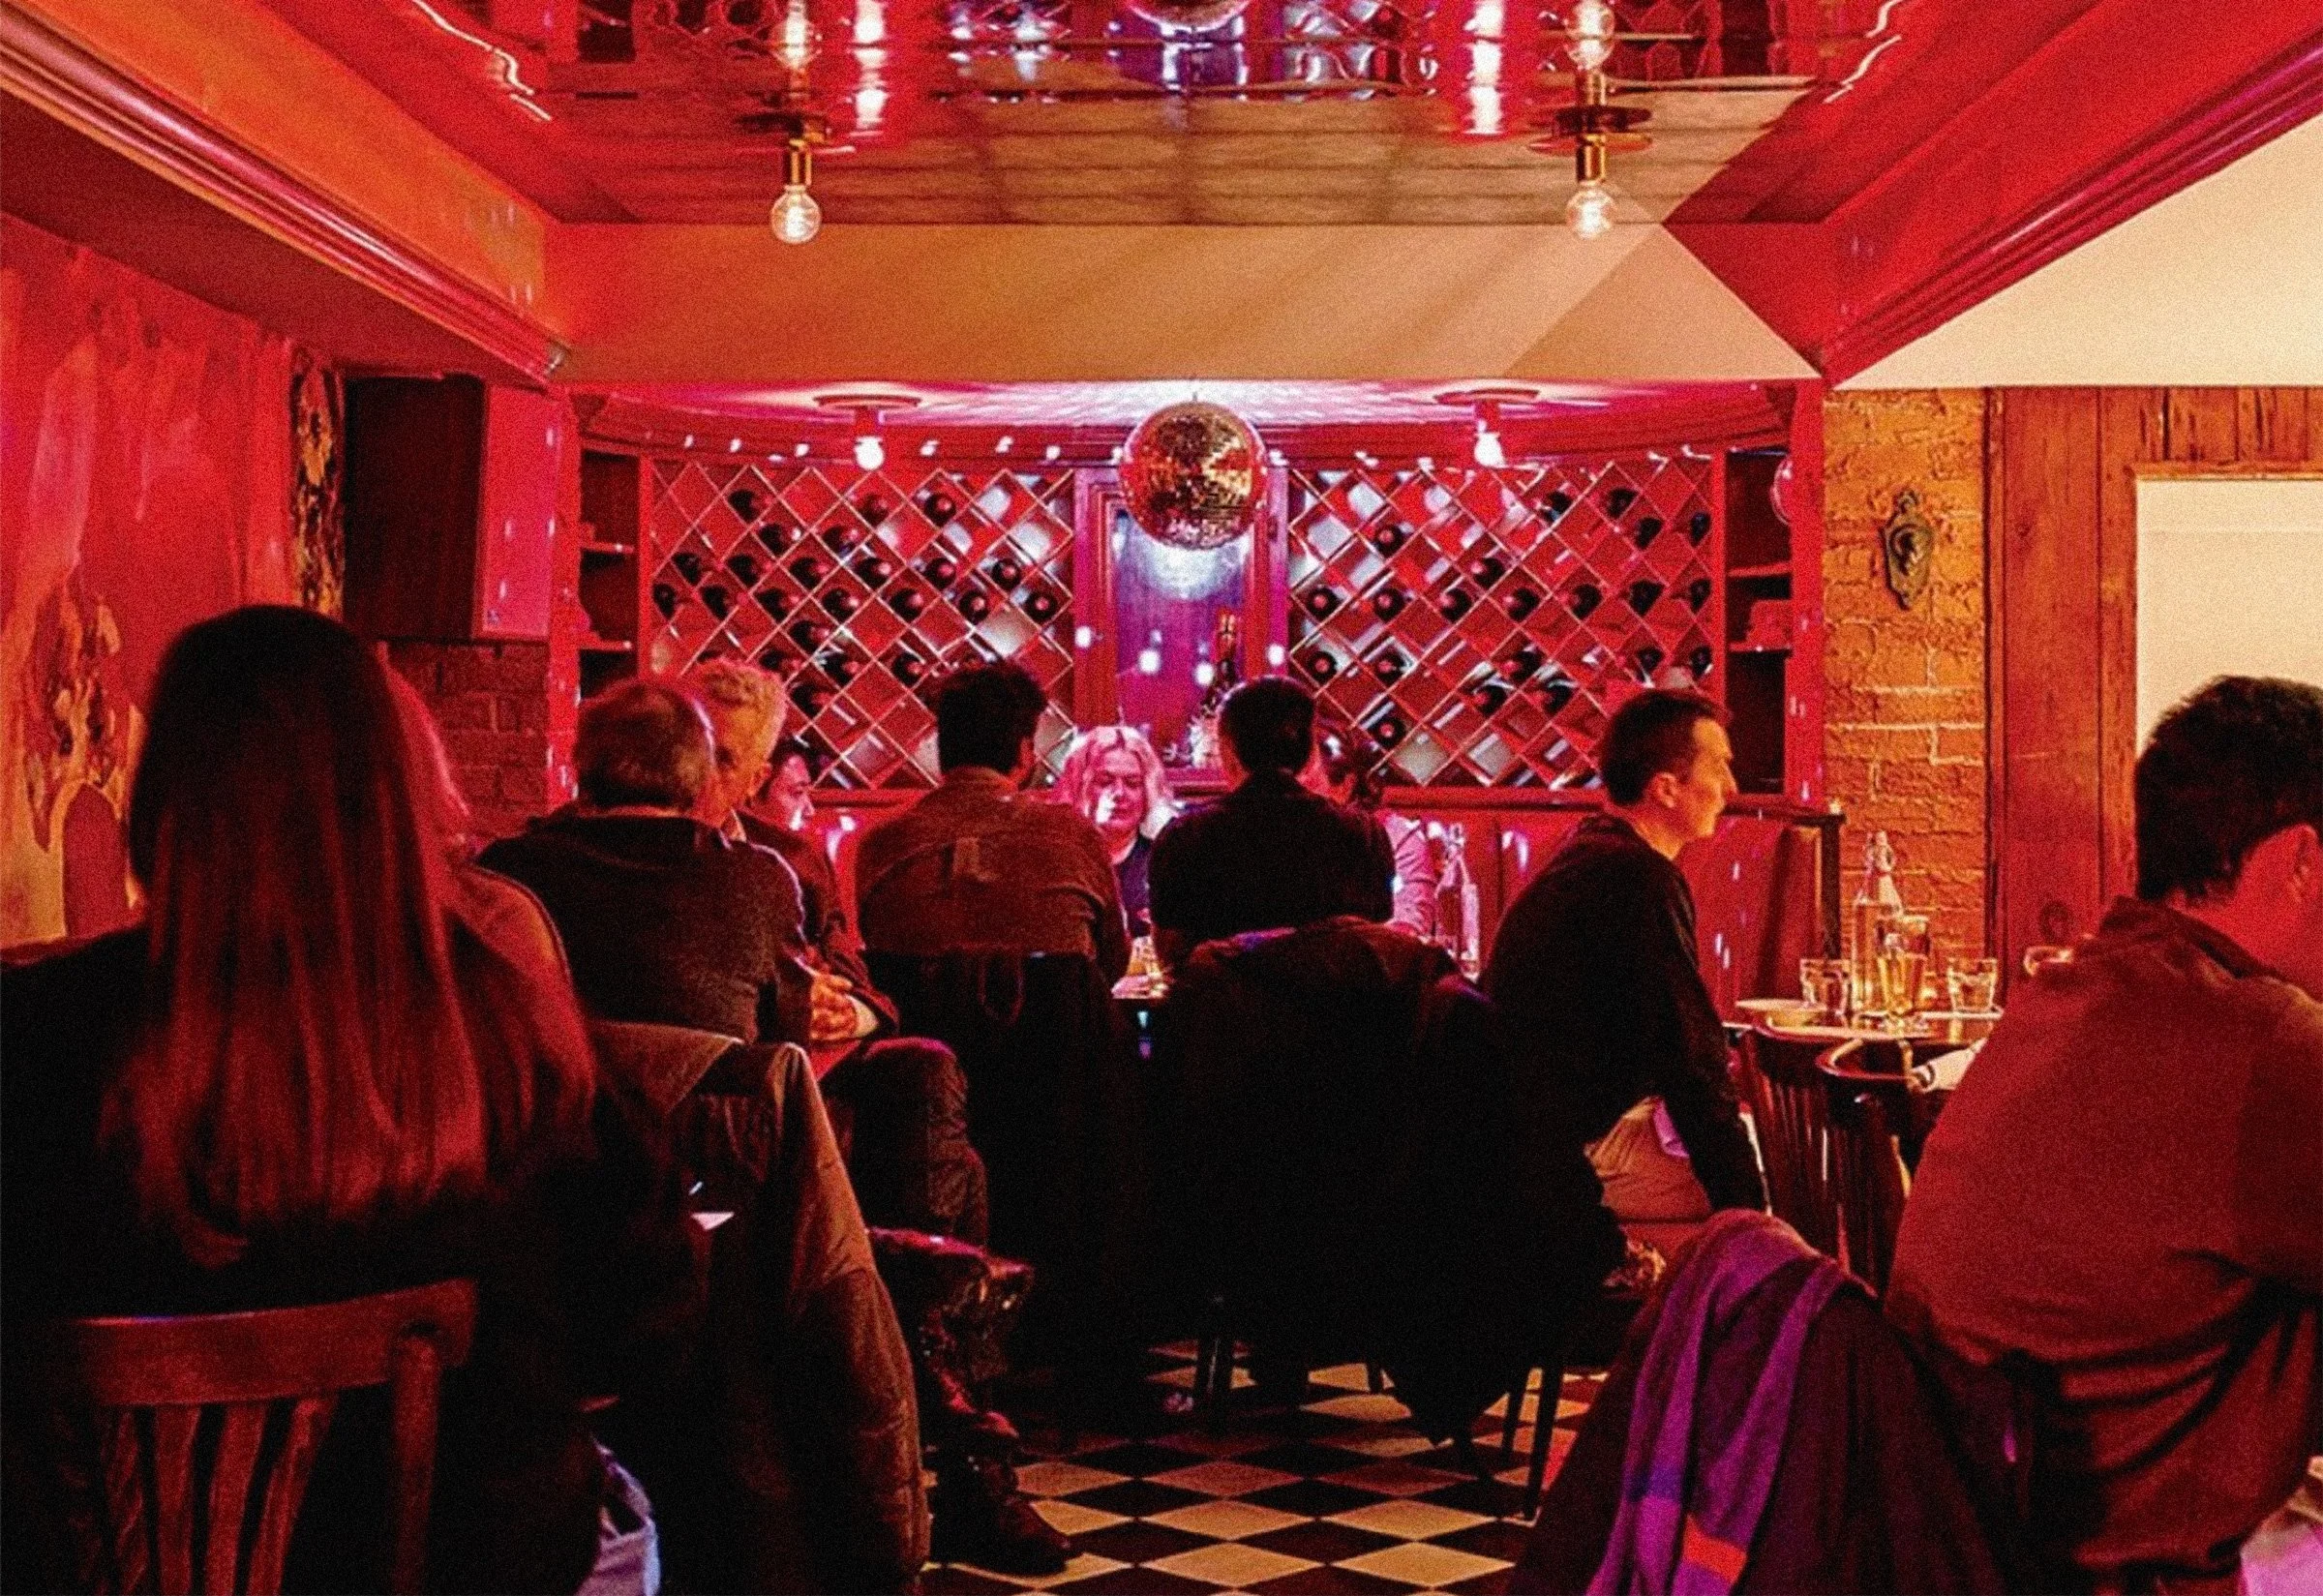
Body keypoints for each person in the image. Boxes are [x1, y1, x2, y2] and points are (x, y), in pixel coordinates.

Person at [1, 606, 703, 1595]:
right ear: (397, 796)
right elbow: (646, 1327)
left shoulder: (37, 1038)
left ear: (164, 803)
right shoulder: (513, 1024)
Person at [1887, 675, 2323, 1591]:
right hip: (2107, 1569)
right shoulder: (2257, 1039)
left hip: (1969, 1541)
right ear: (2302, 860)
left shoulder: (2081, 989)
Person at [1484, 688, 1765, 1244]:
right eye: (1721, 768)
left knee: (1751, 1140)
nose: (1732, 788)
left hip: (1521, 1136)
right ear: (1665, 787)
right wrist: (1753, 1220)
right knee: (1799, 1167)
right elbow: (1689, 1058)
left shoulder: (1595, 852)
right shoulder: (1638, 879)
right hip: (1559, 1156)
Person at [480, 678, 817, 1046]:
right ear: (697, 773)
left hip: (554, 1102)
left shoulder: (507, 871)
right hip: (706, 1102)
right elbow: (785, 1045)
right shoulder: (762, 879)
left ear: (582, 764)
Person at [855, 661, 1129, 982]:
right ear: (1025, 752)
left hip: (923, 1031)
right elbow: (1111, 965)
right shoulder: (1074, 835)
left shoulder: (881, 843)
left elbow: (877, 959)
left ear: (941, 749)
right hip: (1056, 1030)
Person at [1147, 676, 1396, 974]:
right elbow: (1378, 945)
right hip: (1335, 1017)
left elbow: (1172, 961)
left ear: (1227, 751)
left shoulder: (1184, 838)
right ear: (1310, 754)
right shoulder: (1362, 834)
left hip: (1223, 1018)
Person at [1307, 719, 1464, 946]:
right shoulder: (1271, 834)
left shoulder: (1394, 835)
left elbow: (1409, 925)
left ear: (1346, 785)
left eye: (1306, 785)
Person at [1054, 724, 1175, 936]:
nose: (1119, 793)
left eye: (1132, 783)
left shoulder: (1165, 857)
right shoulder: (1061, 860)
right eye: (1105, 781)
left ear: (1148, 792)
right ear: (1080, 787)